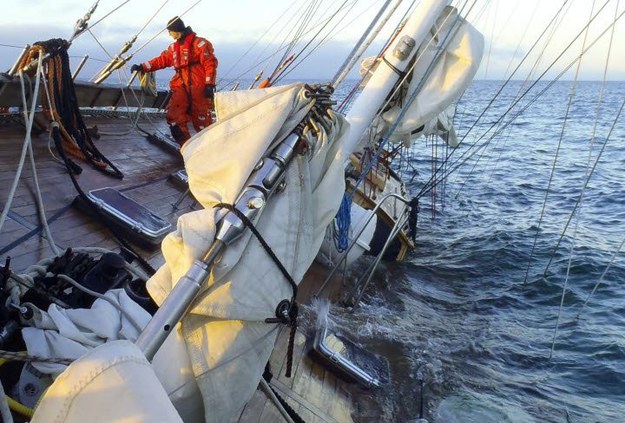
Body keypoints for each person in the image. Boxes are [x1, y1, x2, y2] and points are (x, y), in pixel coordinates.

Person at [131, 16, 218, 146]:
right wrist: (142, 67)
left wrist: (209, 84)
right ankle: (188, 147)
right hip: (181, 86)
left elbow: (210, 63)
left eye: (170, 31)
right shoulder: (173, 49)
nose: (169, 34)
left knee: (202, 122)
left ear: (176, 30)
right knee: (173, 117)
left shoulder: (200, 44)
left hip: (198, 87)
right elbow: (161, 60)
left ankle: (212, 148)